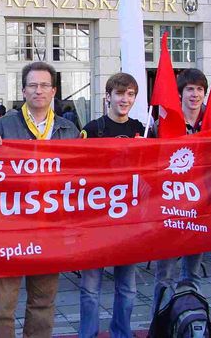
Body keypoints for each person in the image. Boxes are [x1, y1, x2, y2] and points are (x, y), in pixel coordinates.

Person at [0, 61, 79, 338]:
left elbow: (79, 180)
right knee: (2, 305)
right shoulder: (2, 125)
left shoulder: (68, 131)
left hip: (49, 229)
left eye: (44, 85)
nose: (39, 90)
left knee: (43, 302)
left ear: (53, 91)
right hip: (8, 229)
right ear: (23, 90)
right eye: (33, 85)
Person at [78, 73, 144, 338]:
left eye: (130, 95)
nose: (124, 99)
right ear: (108, 97)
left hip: (129, 222)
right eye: (119, 94)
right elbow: (77, 172)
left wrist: (147, 150)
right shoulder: (93, 129)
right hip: (96, 221)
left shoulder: (141, 129)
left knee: (128, 289)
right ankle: (88, 334)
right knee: (90, 289)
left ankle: (122, 333)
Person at [153, 68, 208, 312]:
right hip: (169, 208)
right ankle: (160, 322)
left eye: (199, 89)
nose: (194, 95)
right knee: (164, 276)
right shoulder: (161, 125)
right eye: (190, 89)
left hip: (200, 209)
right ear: (180, 93)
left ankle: (189, 316)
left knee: (192, 274)